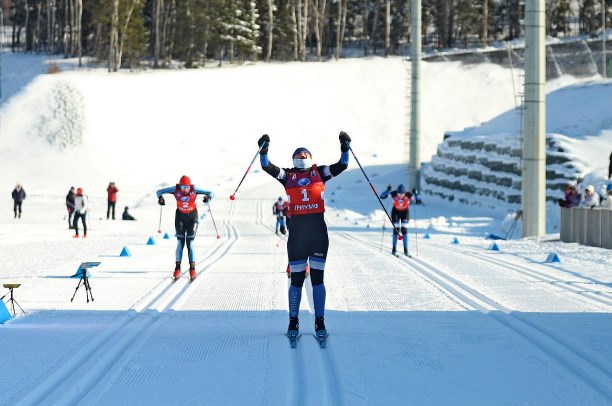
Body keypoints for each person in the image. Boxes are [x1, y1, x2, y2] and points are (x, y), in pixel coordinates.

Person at [257, 131, 351, 340]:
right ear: (293, 160)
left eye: (304, 156)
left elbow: (342, 164)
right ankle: (293, 321)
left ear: (310, 159)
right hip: (298, 236)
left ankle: (320, 322)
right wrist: (264, 150)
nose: (301, 159)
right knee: (297, 280)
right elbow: (267, 166)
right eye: (298, 157)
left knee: (318, 279)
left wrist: (344, 146)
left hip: (317, 233)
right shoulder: (288, 176)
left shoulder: (320, 173)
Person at [156, 175, 214, 282]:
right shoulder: (175, 189)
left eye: (186, 187)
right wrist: (160, 198)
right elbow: (159, 192)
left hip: (192, 217)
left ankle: (192, 269)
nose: (185, 190)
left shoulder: (194, 189)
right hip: (180, 218)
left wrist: (208, 198)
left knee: (190, 243)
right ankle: (177, 268)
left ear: (190, 186)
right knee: (180, 243)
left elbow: (211, 193)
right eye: (182, 187)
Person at [380, 183, 413, 256]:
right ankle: (394, 249)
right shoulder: (394, 193)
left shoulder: (408, 194)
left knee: (404, 230)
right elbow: (382, 196)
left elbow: (418, 199)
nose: (400, 195)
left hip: (405, 213)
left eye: (402, 194)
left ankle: (406, 249)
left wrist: (416, 194)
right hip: (395, 212)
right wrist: (387, 191)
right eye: (399, 194)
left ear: (405, 193)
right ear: (397, 192)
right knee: (396, 230)